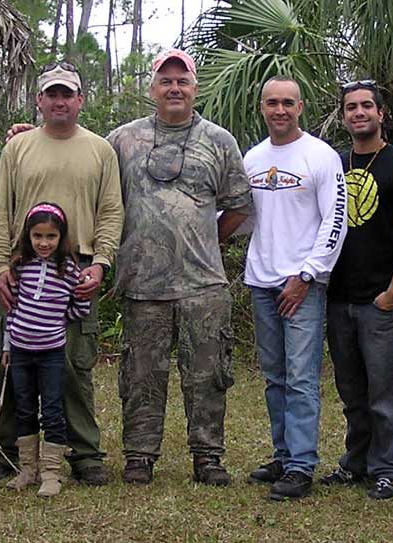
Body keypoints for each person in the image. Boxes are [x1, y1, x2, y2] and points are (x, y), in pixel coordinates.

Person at [106, 49, 252, 486]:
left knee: (208, 375)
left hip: (203, 285)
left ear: (194, 88)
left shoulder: (219, 141)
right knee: (141, 374)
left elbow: (239, 205)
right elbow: (89, 181)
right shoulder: (122, 140)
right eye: (166, 81)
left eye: (182, 81)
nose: (174, 88)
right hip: (142, 283)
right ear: (152, 89)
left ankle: (208, 456)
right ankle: (139, 455)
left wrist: (206, 242)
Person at [0, 60, 124, 486]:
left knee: (74, 366)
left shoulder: (100, 150)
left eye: (67, 94)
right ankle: (5, 452)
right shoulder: (18, 149)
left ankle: (84, 454)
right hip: (23, 268)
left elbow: (111, 211)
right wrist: (0, 265)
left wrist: (100, 263)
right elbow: (1, 211)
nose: (59, 101)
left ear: (80, 99)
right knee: (15, 362)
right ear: (39, 100)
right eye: (52, 94)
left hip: (76, 269)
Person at [319, 80, 393, 501]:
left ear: (381, 114)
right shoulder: (333, 163)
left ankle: (389, 470)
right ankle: (357, 462)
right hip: (338, 297)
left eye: (367, 106)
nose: (359, 113)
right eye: (351, 107)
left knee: (385, 393)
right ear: (344, 115)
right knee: (351, 392)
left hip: (382, 301)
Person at [244, 76, 348, 500]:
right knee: (275, 376)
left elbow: (335, 220)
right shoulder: (253, 158)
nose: (280, 110)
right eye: (272, 102)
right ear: (262, 108)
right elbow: (245, 217)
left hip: (302, 284)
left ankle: (302, 465)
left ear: (300, 107)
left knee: (302, 378)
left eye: (288, 102)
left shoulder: (320, 156)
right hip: (261, 280)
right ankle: (283, 454)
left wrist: (308, 275)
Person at [1, 203, 89, 498]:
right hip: (20, 350)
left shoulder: (69, 269)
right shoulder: (20, 266)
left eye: (51, 236)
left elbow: (79, 308)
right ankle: (28, 468)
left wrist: (55, 321)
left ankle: (52, 471)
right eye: (37, 236)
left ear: (60, 237)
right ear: (28, 236)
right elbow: (11, 309)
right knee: (24, 406)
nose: (44, 243)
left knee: (51, 408)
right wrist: (8, 345)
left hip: (51, 351)